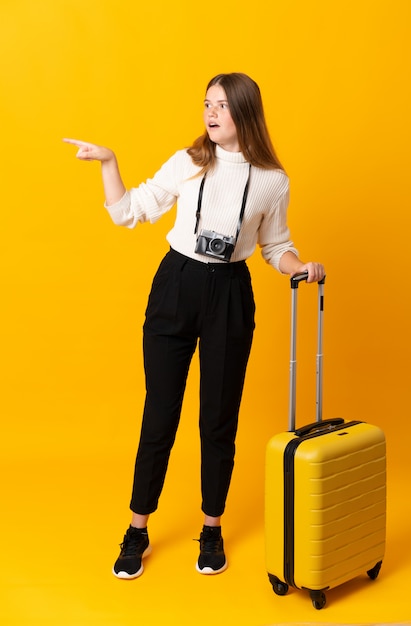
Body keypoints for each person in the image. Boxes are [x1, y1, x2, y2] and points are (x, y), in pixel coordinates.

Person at [64, 72, 325, 580]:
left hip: (230, 292)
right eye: (207, 104)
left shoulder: (273, 179)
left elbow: (275, 246)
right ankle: (137, 529)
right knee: (159, 413)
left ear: (245, 113)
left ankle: (211, 527)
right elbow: (128, 212)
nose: (210, 113)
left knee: (218, 420)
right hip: (176, 284)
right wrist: (110, 162)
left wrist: (301, 267)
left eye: (222, 106)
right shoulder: (188, 162)